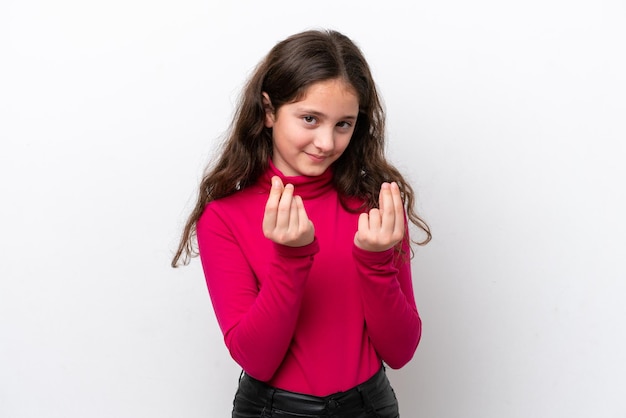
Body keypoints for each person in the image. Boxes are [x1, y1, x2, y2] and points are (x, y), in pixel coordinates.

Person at [171, 28, 431, 418]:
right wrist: (291, 259)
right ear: (268, 111)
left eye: (344, 124)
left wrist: (376, 263)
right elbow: (256, 360)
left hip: (370, 407)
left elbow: (401, 351)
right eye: (310, 119)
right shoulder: (224, 218)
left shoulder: (376, 206)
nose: (327, 142)